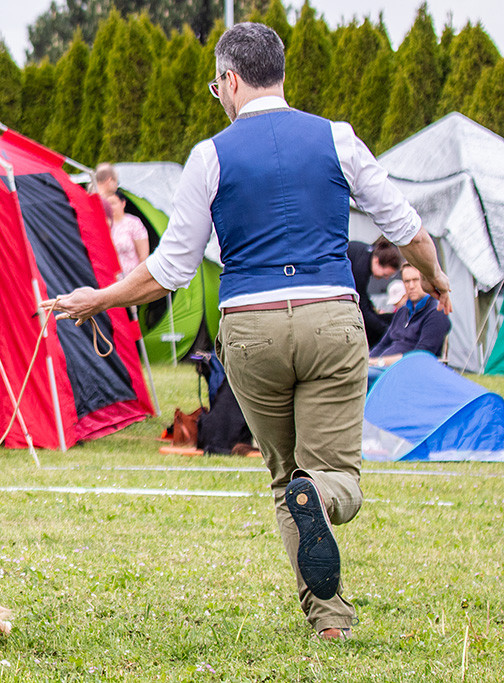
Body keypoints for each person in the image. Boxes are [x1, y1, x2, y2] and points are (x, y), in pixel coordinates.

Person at [42, 22, 451, 641]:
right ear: (280, 73)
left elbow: (171, 269)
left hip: (251, 330)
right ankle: (326, 506)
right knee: (337, 479)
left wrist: (99, 298)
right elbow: (405, 226)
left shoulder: (210, 155)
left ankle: (330, 619)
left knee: (287, 477)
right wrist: (438, 277)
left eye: (216, 86)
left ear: (230, 80)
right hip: (331, 319)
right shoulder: (337, 138)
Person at [368, 263, 451, 386]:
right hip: (383, 368)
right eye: (407, 281)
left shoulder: (436, 312)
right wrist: (367, 361)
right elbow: (383, 344)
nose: (411, 286)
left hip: (407, 373)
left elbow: (420, 356)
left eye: (415, 280)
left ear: (426, 281)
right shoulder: (403, 311)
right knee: (353, 374)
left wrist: (379, 362)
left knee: (360, 379)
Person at [347, 238, 403, 347]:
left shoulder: (366, 254)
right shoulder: (361, 268)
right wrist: (386, 331)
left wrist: (372, 309)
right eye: (385, 275)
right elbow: (361, 307)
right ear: (377, 261)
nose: (385, 279)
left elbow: (362, 295)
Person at [105, 193, 150, 277]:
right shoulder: (104, 225)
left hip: (132, 276)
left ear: (123, 203)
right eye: (107, 204)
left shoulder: (134, 223)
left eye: (113, 203)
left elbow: (143, 255)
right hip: (111, 279)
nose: (110, 207)